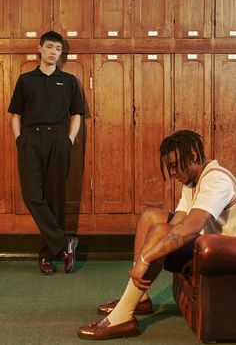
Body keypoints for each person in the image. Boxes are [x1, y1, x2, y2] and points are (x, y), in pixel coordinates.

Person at [77, 129, 236, 340]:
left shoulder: (216, 181)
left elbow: (190, 227)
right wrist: (153, 247)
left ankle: (123, 316)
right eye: (169, 167)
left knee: (160, 231)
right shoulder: (192, 182)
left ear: (194, 156)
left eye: (173, 165)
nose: (172, 173)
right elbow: (178, 221)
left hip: (223, 252)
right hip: (206, 244)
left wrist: (146, 258)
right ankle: (140, 296)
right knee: (151, 218)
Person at [8, 31, 86, 275]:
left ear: (62, 54)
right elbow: (15, 115)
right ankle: (65, 244)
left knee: (55, 199)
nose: (54, 52)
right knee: (31, 194)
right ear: (39, 49)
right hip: (30, 140)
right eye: (50, 47)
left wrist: (69, 141)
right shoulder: (25, 80)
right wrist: (20, 140)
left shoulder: (70, 81)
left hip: (58, 140)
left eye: (58, 49)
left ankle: (47, 255)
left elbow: (77, 115)